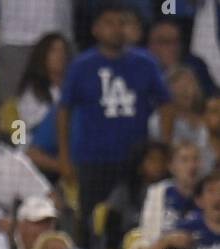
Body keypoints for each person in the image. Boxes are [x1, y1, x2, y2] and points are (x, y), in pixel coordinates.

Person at [59, 0, 170, 236]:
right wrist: (65, 157)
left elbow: (166, 103)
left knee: (136, 222)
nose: (116, 28)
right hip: (93, 159)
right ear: (95, 29)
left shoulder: (145, 62)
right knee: (92, 223)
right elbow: (64, 111)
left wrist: (165, 147)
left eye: (122, 22)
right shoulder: (81, 66)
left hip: (135, 160)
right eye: (109, 23)